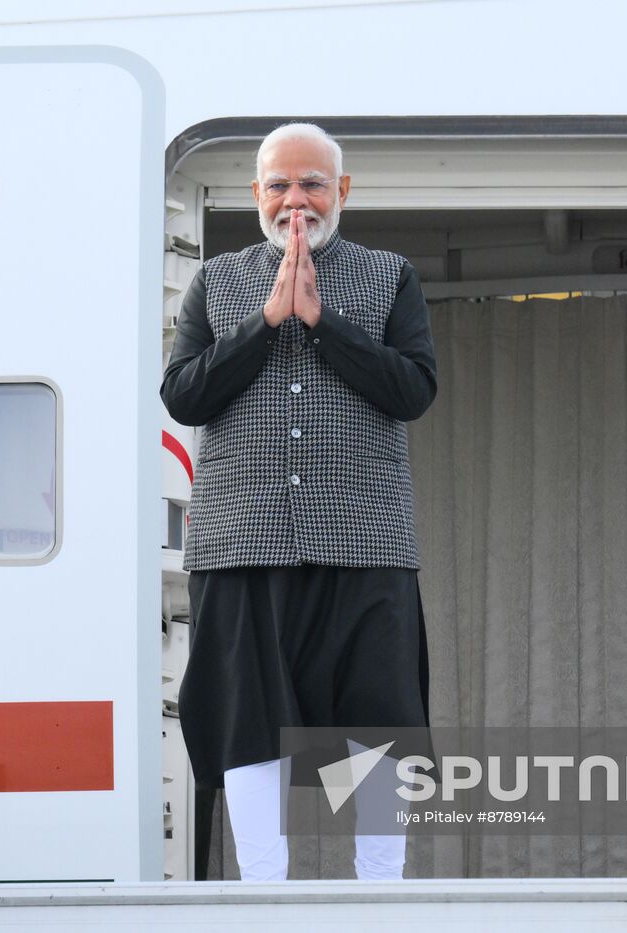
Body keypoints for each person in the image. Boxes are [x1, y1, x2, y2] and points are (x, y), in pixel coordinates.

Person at [160, 123, 438, 881]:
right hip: (241, 541)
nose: (295, 200)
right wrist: (268, 322)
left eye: (312, 183)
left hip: (366, 539)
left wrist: (322, 322)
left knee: (375, 725)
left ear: (341, 191)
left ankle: (379, 894)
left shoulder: (390, 274)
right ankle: (263, 897)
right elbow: (184, 393)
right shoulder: (216, 281)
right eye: (279, 185)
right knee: (251, 722)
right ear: (256, 194)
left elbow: (412, 389)